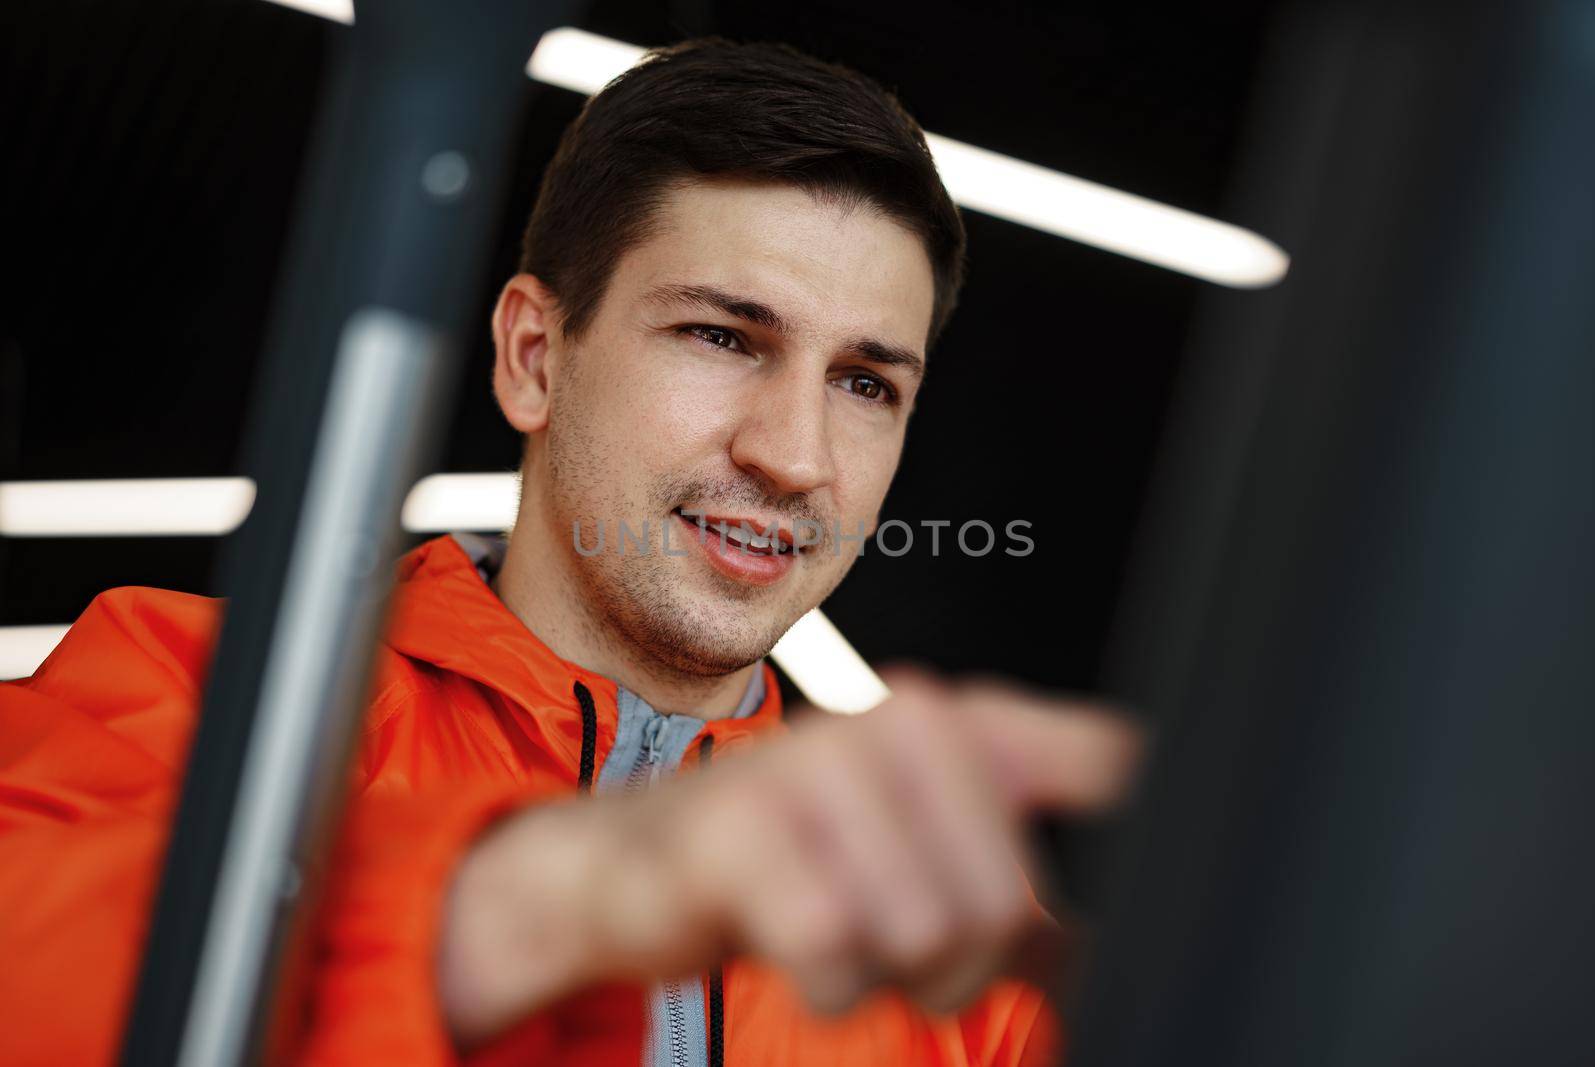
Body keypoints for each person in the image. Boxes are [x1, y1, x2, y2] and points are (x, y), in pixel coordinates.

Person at [0, 37, 1141, 1067]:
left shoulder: (954, 954)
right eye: (721, 334)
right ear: (536, 355)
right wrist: (537, 902)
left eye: (862, 383)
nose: (795, 456)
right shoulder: (191, 699)